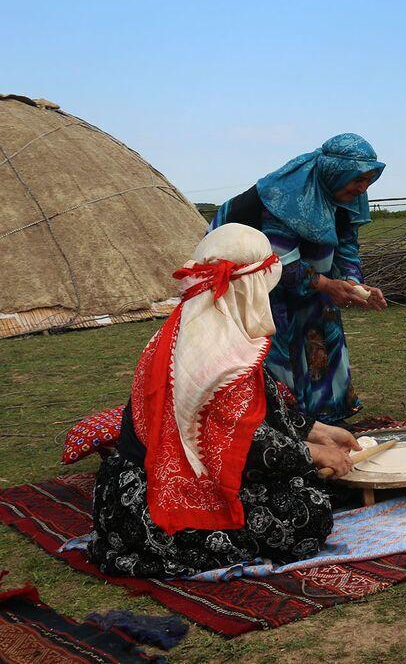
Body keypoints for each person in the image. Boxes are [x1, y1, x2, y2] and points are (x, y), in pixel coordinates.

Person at [89, 224, 361, 578]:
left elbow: (256, 406)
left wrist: (314, 428)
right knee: (308, 510)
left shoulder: (202, 324)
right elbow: (237, 439)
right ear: (251, 287)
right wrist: (312, 452)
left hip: (128, 486)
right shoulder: (212, 351)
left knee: (303, 483)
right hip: (149, 502)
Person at [211, 133, 386, 423]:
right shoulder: (285, 196)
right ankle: (287, 423)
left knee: (322, 333)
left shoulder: (346, 196)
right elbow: (277, 263)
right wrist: (327, 284)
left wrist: (353, 284)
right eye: (358, 179)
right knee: (276, 348)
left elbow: (346, 245)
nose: (363, 187)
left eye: (368, 180)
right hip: (253, 283)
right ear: (336, 172)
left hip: (309, 281)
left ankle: (326, 416)